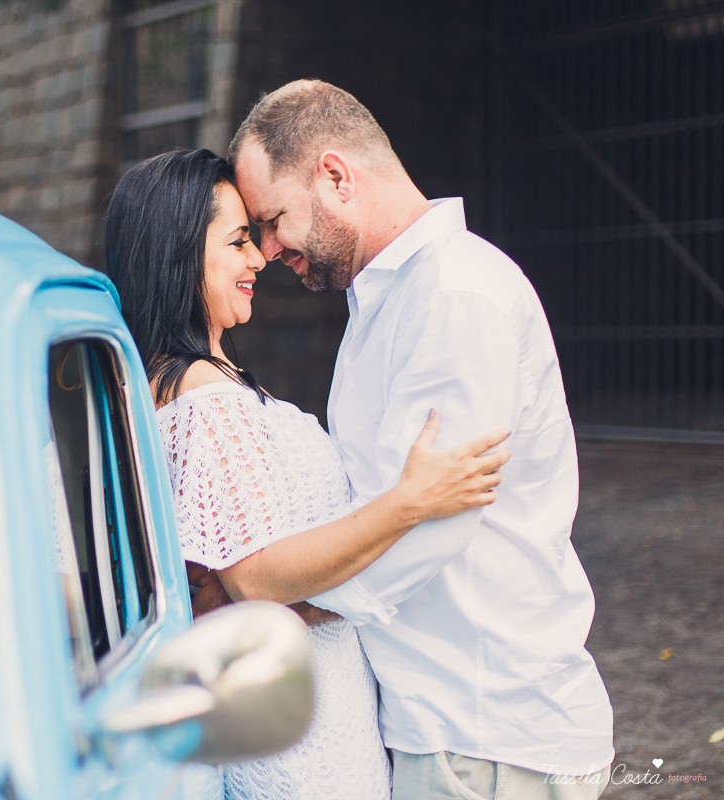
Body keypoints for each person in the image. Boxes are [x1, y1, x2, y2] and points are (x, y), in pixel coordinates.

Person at [226, 80, 614, 799]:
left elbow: (427, 532)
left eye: (275, 220)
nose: (271, 249)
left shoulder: (453, 296)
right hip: (450, 725)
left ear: (336, 176)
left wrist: (268, 598)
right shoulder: (389, 298)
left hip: (484, 734)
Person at [104, 147, 510, 800]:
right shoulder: (206, 397)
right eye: (238, 242)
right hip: (308, 738)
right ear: (180, 253)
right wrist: (410, 501)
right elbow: (256, 575)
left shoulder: (164, 385)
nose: (259, 258)